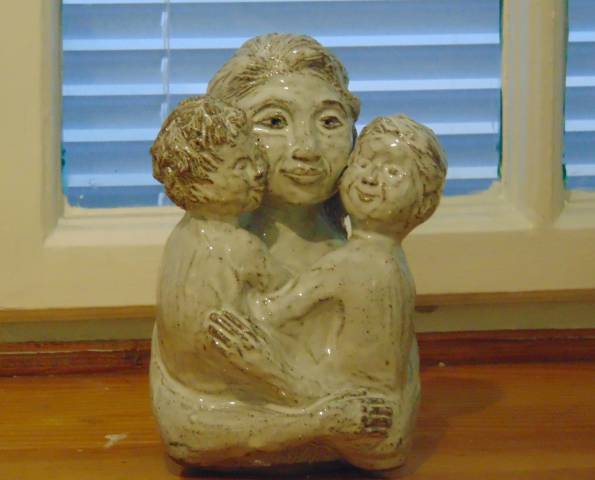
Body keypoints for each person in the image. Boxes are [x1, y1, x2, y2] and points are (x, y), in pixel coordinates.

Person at [207, 114, 448, 469]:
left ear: (424, 203)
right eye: (364, 163)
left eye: (393, 172)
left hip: (362, 426)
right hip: (379, 415)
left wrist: (235, 260)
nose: (370, 178)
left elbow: (270, 313)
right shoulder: (387, 261)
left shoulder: (356, 263)